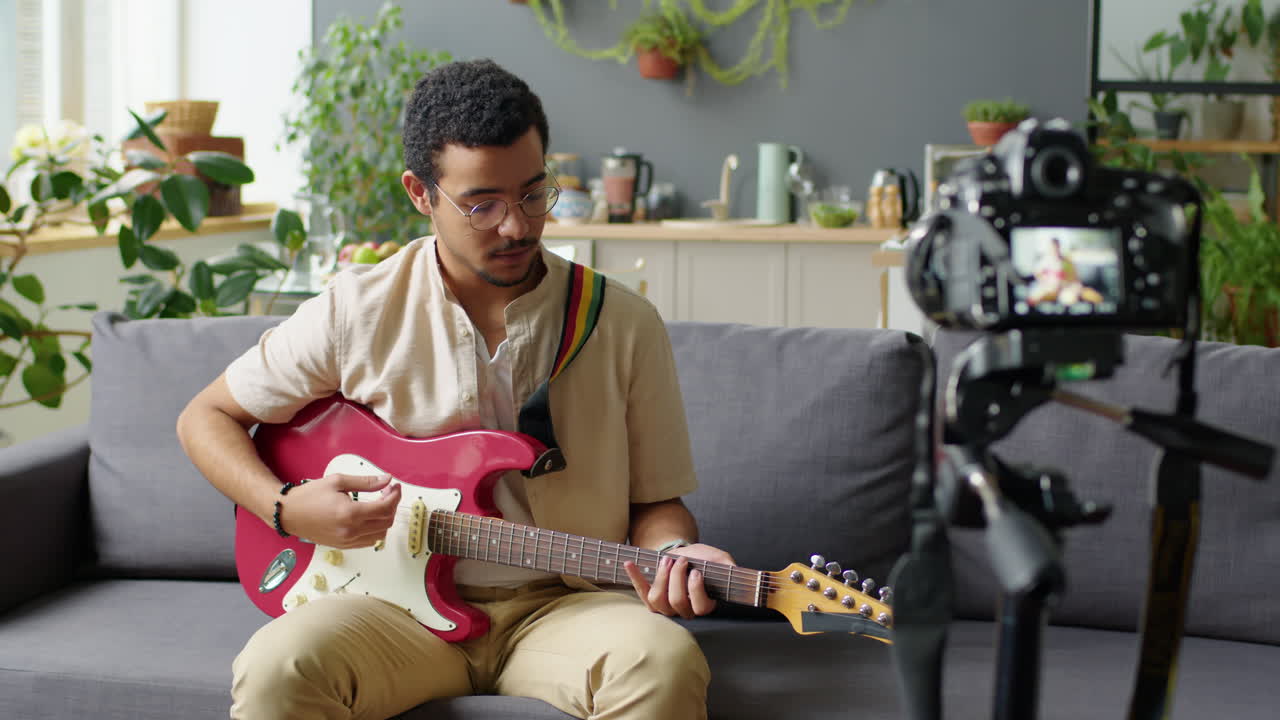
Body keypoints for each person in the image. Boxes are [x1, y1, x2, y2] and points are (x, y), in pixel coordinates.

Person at [176, 58, 734, 720]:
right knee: (275, 670)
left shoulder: (623, 322)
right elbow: (205, 417)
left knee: (665, 664)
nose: (518, 227)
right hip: (386, 612)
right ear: (420, 193)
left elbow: (657, 503)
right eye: (482, 204)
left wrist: (672, 554)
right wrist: (287, 508)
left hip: (566, 604)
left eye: (533, 193)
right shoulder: (356, 310)